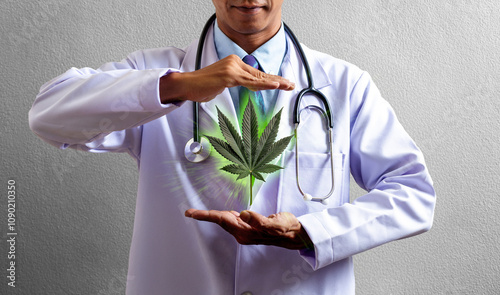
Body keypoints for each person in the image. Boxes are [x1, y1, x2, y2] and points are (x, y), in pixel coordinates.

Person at [29, 0, 436, 294]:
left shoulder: (344, 85)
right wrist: (179, 85)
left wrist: (311, 232)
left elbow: (414, 196)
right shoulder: (155, 74)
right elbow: (48, 115)